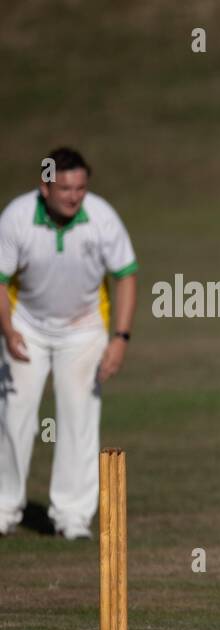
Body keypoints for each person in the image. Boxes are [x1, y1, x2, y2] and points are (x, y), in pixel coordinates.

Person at [0, 147, 137, 539]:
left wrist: (121, 339)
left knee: (79, 416)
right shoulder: (16, 218)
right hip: (26, 326)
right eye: (64, 188)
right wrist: (8, 332)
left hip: (84, 329)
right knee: (15, 414)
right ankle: (5, 507)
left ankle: (72, 516)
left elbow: (126, 274)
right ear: (44, 186)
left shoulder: (102, 218)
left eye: (79, 187)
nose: (74, 196)